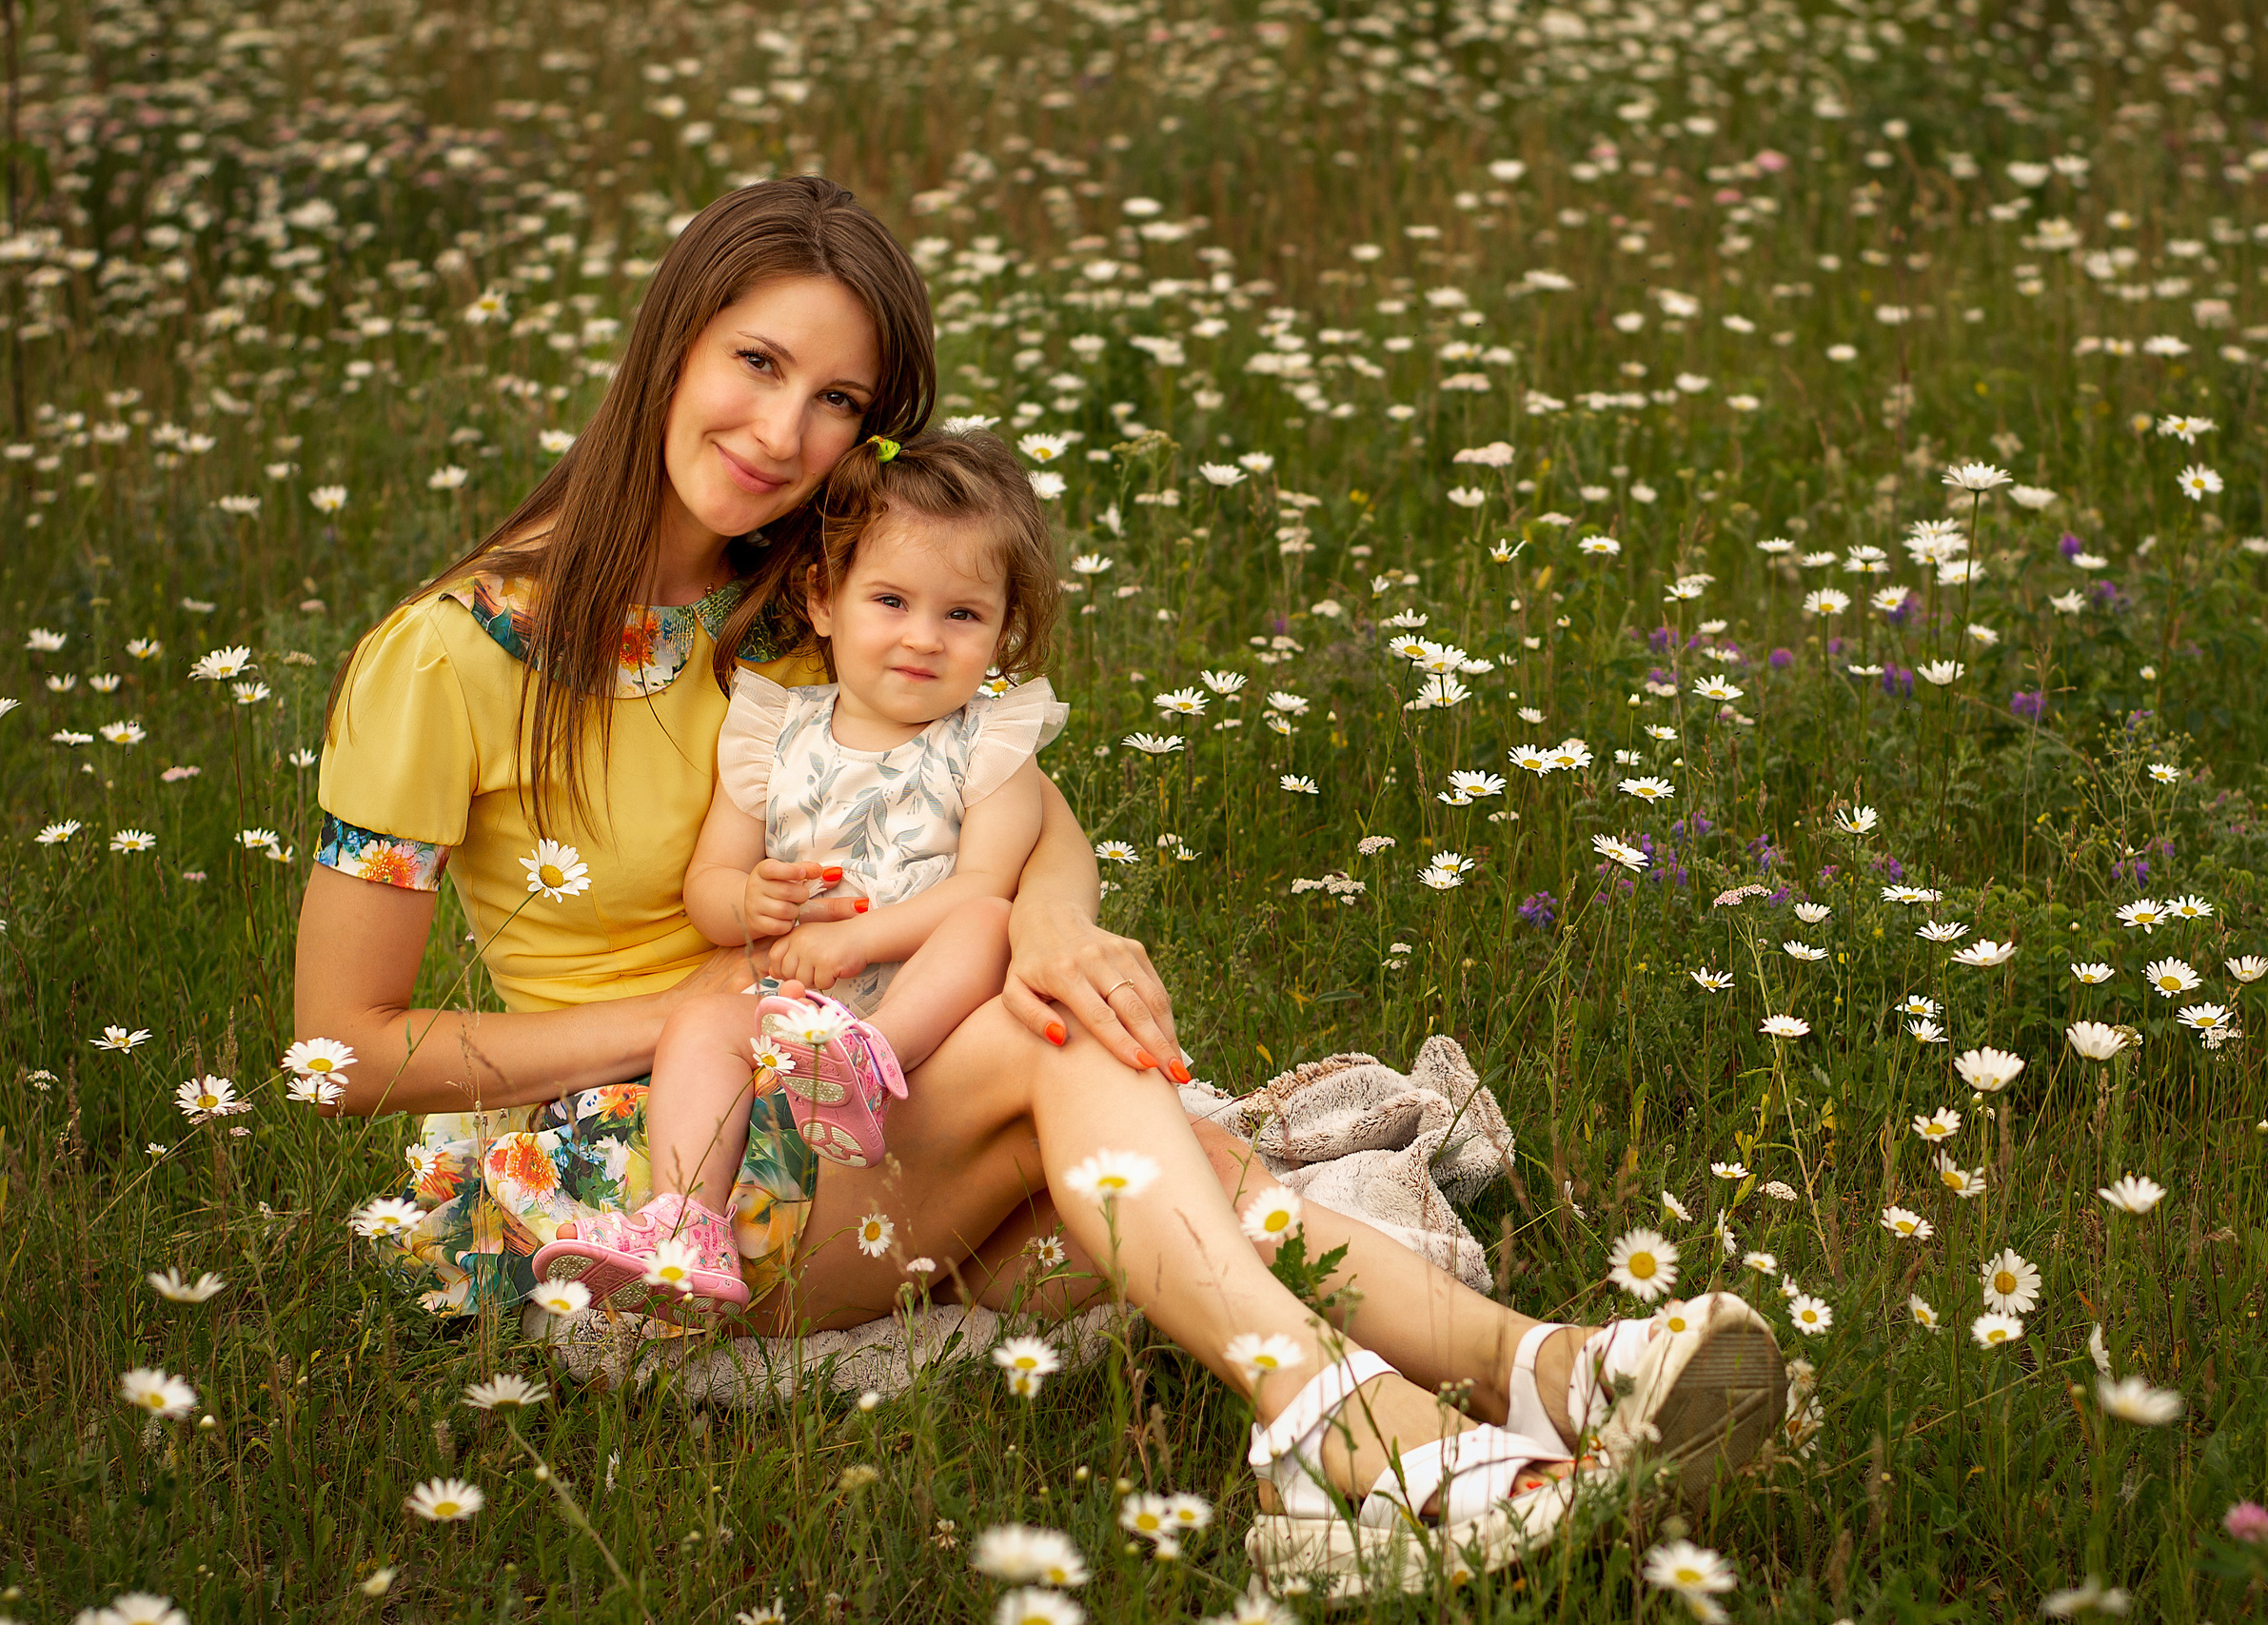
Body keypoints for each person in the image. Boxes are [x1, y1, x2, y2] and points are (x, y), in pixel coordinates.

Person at [299, 175, 1785, 1593]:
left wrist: (1055, 920)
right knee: (1062, 1054)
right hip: (662, 1189)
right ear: (669, 337)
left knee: (1160, 1166)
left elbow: (1014, 795)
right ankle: (1363, 1440)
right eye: (756, 361)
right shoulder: (445, 657)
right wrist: (705, 1006)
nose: (782, 431)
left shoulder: (803, 592)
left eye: (838, 400)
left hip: (855, 1109)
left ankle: (1543, 1376)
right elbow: (342, 1050)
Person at [531, 427, 1069, 1319]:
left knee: (986, 922)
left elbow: (984, 885)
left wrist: (857, 941)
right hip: (794, 1005)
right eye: (890, 600)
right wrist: (747, 899)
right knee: (702, 1022)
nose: (923, 638)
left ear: (1003, 628)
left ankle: (869, 1062)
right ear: (823, 598)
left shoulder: (991, 743)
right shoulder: (772, 733)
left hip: (929, 1012)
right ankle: (685, 1224)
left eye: (963, 615)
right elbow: (711, 886)